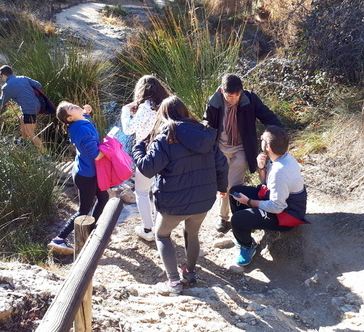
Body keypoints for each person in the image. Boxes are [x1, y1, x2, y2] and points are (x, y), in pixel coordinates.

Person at [132, 96, 228, 295]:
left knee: (161, 235)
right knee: (192, 233)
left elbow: (147, 169)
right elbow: (222, 164)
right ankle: (190, 272)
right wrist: (222, 187)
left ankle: (174, 282)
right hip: (203, 199)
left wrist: (138, 147)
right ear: (185, 112)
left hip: (173, 202)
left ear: (164, 115)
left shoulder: (165, 138)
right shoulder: (205, 134)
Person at [203, 73, 283, 233]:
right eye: (229, 95)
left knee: (234, 184)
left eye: (237, 95)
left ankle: (238, 217)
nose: (233, 99)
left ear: (242, 91)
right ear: (222, 91)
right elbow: (207, 122)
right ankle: (222, 217)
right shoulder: (214, 102)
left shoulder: (250, 99)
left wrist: (277, 135)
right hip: (220, 147)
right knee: (223, 184)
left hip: (241, 147)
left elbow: (267, 116)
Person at [229, 125, 308, 266]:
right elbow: (268, 184)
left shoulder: (280, 170)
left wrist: (249, 202)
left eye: (262, 139)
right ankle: (246, 229)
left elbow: (277, 207)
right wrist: (262, 168)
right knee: (235, 192)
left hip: (287, 214)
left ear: (268, 147)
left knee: (237, 220)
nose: (260, 140)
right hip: (277, 201)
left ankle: (247, 246)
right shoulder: (281, 157)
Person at [48, 101, 109, 254]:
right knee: (83, 210)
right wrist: (111, 146)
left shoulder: (81, 121)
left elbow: (85, 117)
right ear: (69, 118)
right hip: (86, 176)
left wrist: (86, 111)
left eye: (72, 104)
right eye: (71, 108)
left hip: (87, 171)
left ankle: (90, 230)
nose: (74, 106)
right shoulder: (81, 130)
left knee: (103, 198)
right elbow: (97, 155)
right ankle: (59, 239)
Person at [121, 75, 170, 242]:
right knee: (158, 191)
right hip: (164, 152)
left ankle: (148, 229)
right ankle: (159, 228)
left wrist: (125, 111)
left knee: (141, 192)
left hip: (146, 153)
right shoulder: (165, 106)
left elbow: (128, 129)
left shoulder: (144, 108)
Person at [0, 65, 45, 153]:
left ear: (3, 75)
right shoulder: (23, 78)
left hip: (29, 110)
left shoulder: (6, 87)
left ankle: (44, 154)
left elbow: (0, 103)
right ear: (12, 73)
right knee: (22, 119)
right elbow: (39, 84)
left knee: (30, 133)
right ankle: (23, 141)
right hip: (37, 105)